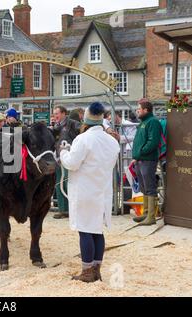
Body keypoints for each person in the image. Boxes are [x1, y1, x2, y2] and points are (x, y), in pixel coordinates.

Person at [60, 102, 120, 283]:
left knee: (85, 230)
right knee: (97, 230)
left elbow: (72, 163)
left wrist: (63, 152)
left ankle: (87, 272)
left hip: (85, 190)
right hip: (102, 190)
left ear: (86, 120)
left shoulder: (83, 139)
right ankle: (96, 269)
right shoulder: (112, 141)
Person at [131, 99, 162, 225]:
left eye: (139, 109)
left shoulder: (153, 122)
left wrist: (141, 152)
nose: (137, 111)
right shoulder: (144, 122)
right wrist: (138, 155)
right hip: (140, 159)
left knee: (150, 187)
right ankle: (145, 214)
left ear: (146, 110)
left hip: (148, 159)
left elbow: (153, 141)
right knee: (144, 187)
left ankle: (151, 217)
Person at [50, 105, 79, 219]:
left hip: (69, 157)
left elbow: (82, 130)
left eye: (57, 113)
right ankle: (63, 210)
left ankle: (73, 209)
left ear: (63, 113)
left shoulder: (72, 123)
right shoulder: (56, 126)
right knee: (59, 184)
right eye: (54, 114)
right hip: (58, 158)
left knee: (68, 183)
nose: (55, 116)